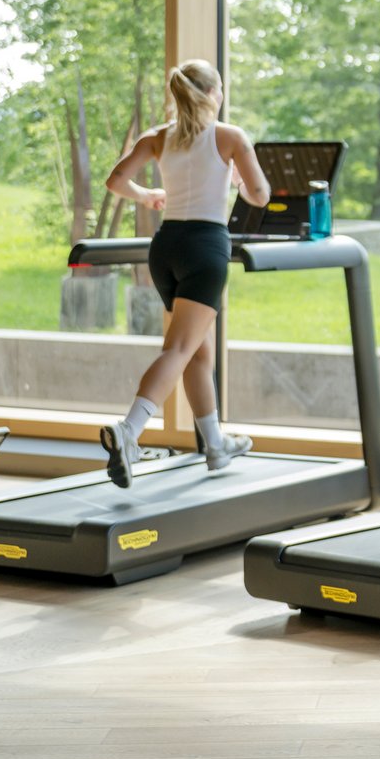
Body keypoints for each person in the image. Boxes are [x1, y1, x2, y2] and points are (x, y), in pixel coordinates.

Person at [98, 59, 271, 488]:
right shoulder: (230, 137)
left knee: (197, 351)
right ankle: (129, 431)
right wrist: (237, 179)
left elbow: (116, 181)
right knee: (179, 348)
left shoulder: (158, 137)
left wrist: (149, 195)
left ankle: (215, 445)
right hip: (205, 247)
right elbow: (261, 195)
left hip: (166, 247)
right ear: (213, 93)